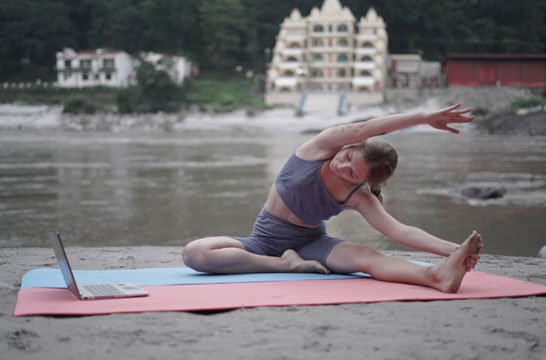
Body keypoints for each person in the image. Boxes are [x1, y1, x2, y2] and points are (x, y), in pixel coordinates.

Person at [183, 104, 484, 293]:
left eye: (353, 173)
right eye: (348, 157)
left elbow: (398, 230)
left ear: (363, 182)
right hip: (262, 240)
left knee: (369, 258)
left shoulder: (359, 195)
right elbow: (369, 126)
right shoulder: (321, 147)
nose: (343, 167)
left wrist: (455, 251)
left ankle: (437, 277)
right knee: (195, 253)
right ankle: (286, 266)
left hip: (312, 244)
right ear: (352, 145)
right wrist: (421, 116)